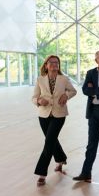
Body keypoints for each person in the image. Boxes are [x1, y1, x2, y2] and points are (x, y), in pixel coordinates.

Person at [32, 55, 77, 186]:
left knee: (49, 141)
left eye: (56, 62)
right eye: (51, 62)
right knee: (52, 140)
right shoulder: (40, 80)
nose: (54, 64)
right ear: (46, 65)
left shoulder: (64, 79)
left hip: (59, 114)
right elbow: (34, 97)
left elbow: (73, 91)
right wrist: (39, 100)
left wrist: (66, 95)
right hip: (43, 115)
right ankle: (61, 159)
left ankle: (42, 173)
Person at [73, 51, 99, 182]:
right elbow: (85, 90)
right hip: (93, 113)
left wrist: (94, 90)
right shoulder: (90, 73)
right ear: (96, 61)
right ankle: (86, 172)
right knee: (91, 145)